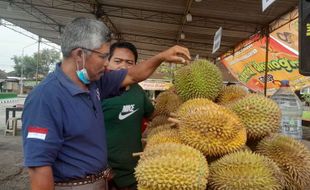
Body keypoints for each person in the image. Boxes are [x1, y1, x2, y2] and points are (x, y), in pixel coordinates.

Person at [22, 17, 190, 190]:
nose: (106, 63)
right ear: (79, 54)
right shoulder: (45, 97)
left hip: (99, 182)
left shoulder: (94, 83)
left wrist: (161, 57)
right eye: (103, 56)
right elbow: (39, 167)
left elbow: (132, 75)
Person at [102, 42, 154, 190]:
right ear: (108, 62)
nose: (123, 66)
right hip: (103, 172)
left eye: (129, 62)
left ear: (136, 65)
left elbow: (155, 116)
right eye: (117, 61)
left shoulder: (138, 91)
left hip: (134, 171)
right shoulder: (97, 89)